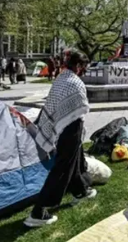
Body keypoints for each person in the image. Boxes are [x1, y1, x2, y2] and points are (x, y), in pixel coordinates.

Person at [25, 52, 95, 227]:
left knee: (76, 158)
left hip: (62, 125)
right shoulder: (75, 82)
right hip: (70, 126)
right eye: (83, 67)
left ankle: (80, 191)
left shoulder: (61, 77)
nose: (84, 71)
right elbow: (81, 106)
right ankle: (39, 211)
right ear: (78, 65)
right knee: (63, 166)